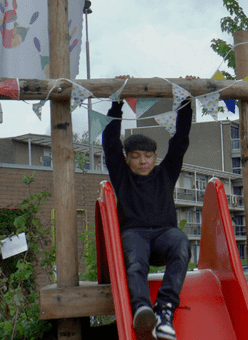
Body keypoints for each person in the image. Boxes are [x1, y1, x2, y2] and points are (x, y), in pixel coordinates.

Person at [102, 75, 194, 340]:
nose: (142, 161)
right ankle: (142, 308)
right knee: (134, 259)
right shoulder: (122, 175)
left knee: (181, 242)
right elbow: (110, 144)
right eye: (136, 156)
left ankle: (165, 310)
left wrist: (185, 101)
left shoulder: (166, 172)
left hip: (165, 236)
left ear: (155, 157)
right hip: (136, 234)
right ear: (128, 159)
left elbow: (180, 140)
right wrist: (117, 103)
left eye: (148, 156)